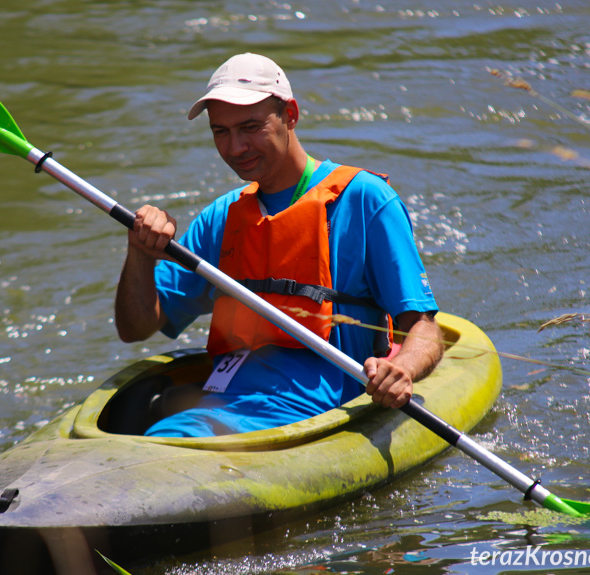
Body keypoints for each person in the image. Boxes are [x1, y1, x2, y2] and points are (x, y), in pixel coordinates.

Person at [114, 53, 443, 437]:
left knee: (169, 437)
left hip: (309, 406)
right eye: (221, 131)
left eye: (250, 127)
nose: (235, 147)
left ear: (290, 115)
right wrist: (140, 255)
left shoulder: (366, 200)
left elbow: (424, 327)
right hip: (224, 400)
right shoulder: (222, 217)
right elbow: (135, 327)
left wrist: (403, 369)